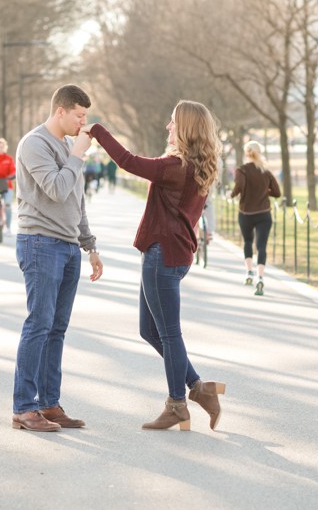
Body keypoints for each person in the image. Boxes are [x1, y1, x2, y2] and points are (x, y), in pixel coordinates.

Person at [84, 100, 226, 432]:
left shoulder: (175, 167)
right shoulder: (197, 165)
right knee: (149, 330)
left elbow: (128, 161)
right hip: (172, 254)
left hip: (163, 255)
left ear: (187, 128)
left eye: (173, 122)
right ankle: (199, 389)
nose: (168, 127)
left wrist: (97, 131)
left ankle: (177, 404)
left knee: (168, 332)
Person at [11, 84, 104, 433]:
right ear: (61, 111)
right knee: (39, 323)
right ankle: (24, 407)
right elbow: (56, 188)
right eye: (79, 115)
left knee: (57, 329)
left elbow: (76, 200)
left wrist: (90, 246)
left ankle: (49, 403)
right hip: (39, 243)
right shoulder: (34, 144)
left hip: (67, 246)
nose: (84, 123)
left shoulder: (67, 146)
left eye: (86, 117)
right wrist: (78, 154)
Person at [230, 140, 281, 296]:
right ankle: (260, 277)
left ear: (246, 153)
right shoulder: (265, 171)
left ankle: (249, 273)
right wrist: (265, 192)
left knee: (247, 242)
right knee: (261, 246)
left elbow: (240, 186)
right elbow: (277, 193)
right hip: (264, 213)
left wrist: (231, 194)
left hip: (246, 213)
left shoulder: (242, 170)